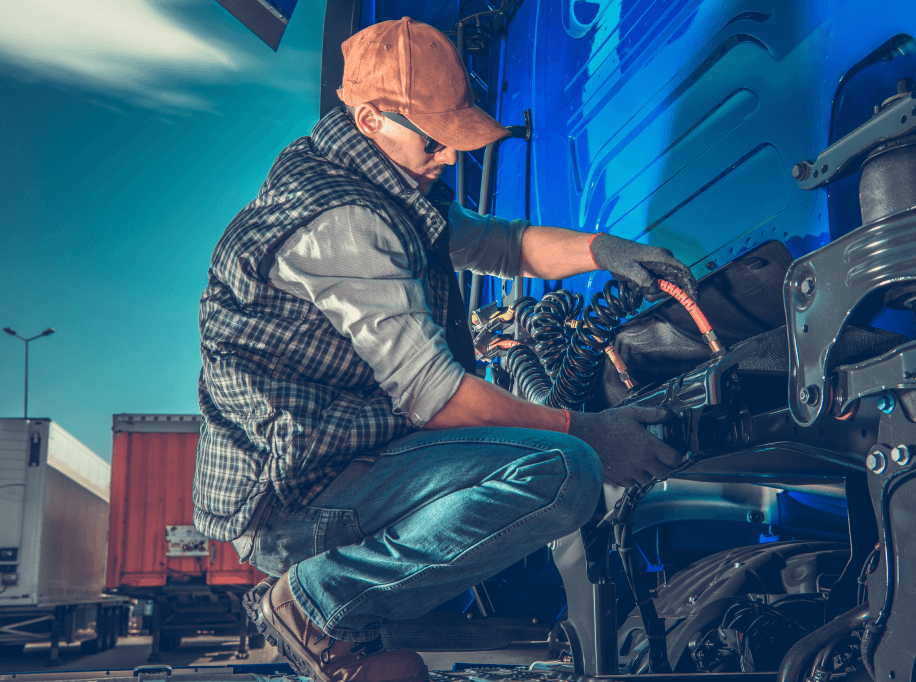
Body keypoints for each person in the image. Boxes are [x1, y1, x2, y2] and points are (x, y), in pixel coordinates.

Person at [193, 16, 698, 682]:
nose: (451, 157)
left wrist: (601, 249)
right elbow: (442, 400)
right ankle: (317, 604)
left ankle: (350, 629)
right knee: (563, 470)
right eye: (436, 140)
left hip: (335, 462)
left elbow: (499, 243)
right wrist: (596, 434)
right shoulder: (343, 221)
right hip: (300, 499)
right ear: (371, 118)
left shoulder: (375, 180)